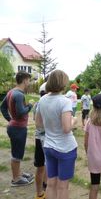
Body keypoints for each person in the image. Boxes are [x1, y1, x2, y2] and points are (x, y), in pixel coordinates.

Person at [35, 70, 78, 199]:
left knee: (51, 183)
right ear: (63, 83)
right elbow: (66, 128)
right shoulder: (64, 101)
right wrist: (74, 121)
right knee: (63, 185)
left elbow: (38, 123)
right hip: (65, 148)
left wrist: (52, 124)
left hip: (48, 146)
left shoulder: (42, 100)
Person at [0, 70, 34, 187]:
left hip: (14, 127)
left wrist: (10, 120)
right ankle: (16, 179)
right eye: (29, 80)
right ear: (25, 80)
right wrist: (29, 105)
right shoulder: (19, 94)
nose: (29, 83)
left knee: (17, 153)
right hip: (18, 129)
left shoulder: (11, 92)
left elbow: (2, 107)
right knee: (17, 154)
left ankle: (18, 173)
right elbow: (20, 113)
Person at [32, 83, 48, 199]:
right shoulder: (45, 104)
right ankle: (42, 190)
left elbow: (35, 121)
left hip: (40, 138)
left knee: (41, 166)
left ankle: (41, 190)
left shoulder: (37, 104)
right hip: (46, 139)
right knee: (44, 166)